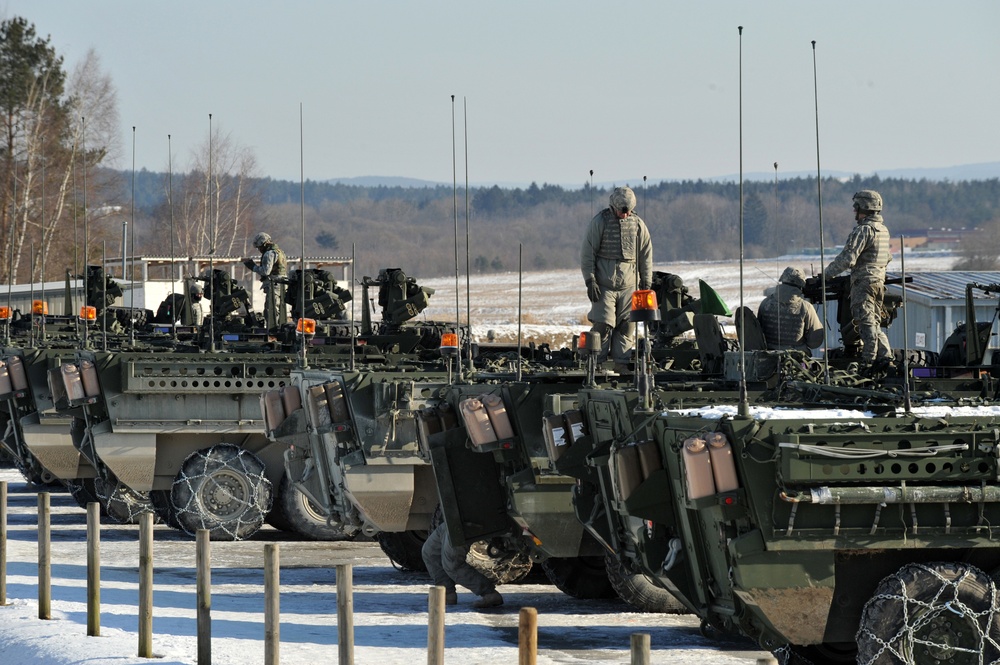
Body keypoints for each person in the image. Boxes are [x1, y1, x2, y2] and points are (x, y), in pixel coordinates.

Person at [581, 185, 653, 370]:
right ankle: (596, 365)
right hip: (604, 285)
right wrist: (590, 280)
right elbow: (587, 253)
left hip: (629, 285)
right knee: (603, 326)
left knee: (626, 326)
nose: (625, 215)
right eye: (622, 211)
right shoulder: (600, 222)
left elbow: (645, 254)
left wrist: (646, 281)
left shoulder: (638, 225)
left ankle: (622, 365)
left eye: (628, 211)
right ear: (614, 207)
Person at [822, 190, 892, 366]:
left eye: (856, 208)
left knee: (864, 320)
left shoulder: (864, 230)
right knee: (874, 320)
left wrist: (826, 275)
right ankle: (885, 356)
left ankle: (869, 359)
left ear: (864, 208)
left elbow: (848, 258)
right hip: (878, 281)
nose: (855, 212)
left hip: (864, 283)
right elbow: (887, 257)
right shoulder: (883, 230)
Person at [421, 521, 503, 609]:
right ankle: (446, 592)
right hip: (451, 520)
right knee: (430, 551)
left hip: (466, 519)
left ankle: (489, 593)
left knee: (452, 563)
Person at [757, 267, 823, 353]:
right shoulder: (806, 307)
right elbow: (815, 342)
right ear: (801, 285)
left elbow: (758, 333)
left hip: (768, 357)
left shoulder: (765, 303)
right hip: (795, 360)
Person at [243, 232, 287, 329]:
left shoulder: (269, 254)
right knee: (278, 309)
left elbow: (266, 271)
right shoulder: (280, 252)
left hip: (274, 285)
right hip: (281, 285)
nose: (259, 250)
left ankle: (273, 330)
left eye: (259, 247)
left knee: (271, 310)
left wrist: (253, 267)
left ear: (264, 244)